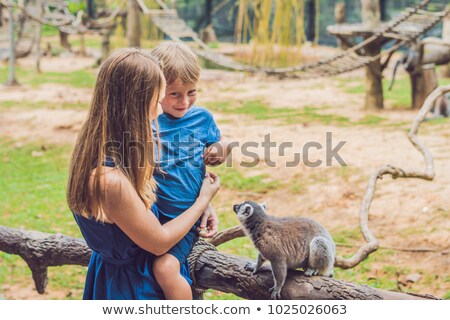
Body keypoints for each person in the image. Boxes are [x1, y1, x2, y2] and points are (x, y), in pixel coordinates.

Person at [67, 48, 220, 300]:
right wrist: (204, 199)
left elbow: (154, 197)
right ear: (135, 103)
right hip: (133, 286)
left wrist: (196, 205)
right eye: (156, 99)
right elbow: (158, 242)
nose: (160, 112)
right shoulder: (110, 179)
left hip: (129, 274)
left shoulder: (116, 149)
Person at [150, 42, 231, 299]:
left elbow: (222, 141)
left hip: (185, 216)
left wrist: (222, 148)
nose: (185, 101)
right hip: (151, 215)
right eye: (175, 94)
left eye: (192, 92)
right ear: (155, 89)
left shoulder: (202, 118)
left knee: (164, 267)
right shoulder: (147, 121)